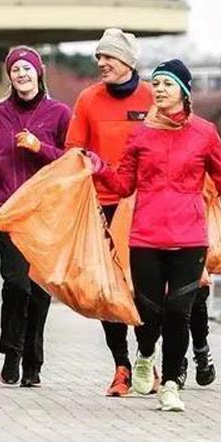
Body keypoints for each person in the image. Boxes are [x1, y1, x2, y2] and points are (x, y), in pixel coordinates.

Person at [90, 59, 221, 411]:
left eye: (167, 84)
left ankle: (170, 385)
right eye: (155, 84)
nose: (159, 89)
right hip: (146, 237)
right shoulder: (140, 135)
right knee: (149, 313)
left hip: (190, 237)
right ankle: (144, 354)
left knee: (179, 312)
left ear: (183, 91)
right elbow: (123, 185)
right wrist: (98, 167)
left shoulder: (204, 133)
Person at [65, 28, 153, 397]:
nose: (101, 62)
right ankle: (121, 366)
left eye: (109, 57)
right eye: (99, 57)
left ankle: (146, 357)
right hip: (102, 205)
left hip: (145, 205)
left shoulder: (152, 96)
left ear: (127, 61)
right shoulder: (88, 99)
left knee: (145, 288)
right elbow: (73, 149)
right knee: (107, 288)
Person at [0, 46, 71, 388]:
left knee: (39, 290)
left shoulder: (59, 113)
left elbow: (71, 158)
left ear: (38, 72)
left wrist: (39, 147)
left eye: (26, 69)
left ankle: (33, 362)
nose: (21, 74)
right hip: (9, 209)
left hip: (45, 212)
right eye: (15, 70)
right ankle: (11, 353)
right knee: (16, 283)